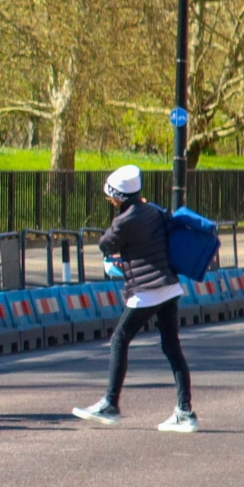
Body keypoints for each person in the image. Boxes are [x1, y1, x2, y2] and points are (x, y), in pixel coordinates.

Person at [74, 165, 196, 432]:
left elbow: (106, 244)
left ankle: (110, 404)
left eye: (111, 197)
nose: (109, 200)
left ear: (120, 196)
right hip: (169, 287)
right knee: (172, 348)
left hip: (145, 291)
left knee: (119, 340)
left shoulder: (125, 220)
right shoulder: (153, 210)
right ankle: (185, 411)